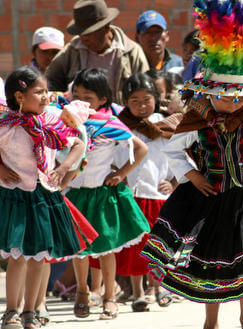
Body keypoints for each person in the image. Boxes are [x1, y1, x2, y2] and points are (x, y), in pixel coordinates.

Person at [140, 0, 243, 329]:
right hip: (210, 197)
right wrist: (191, 173)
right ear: (209, 93)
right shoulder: (197, 118)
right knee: (210, 259)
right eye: (222, 97)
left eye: (236, 96)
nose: (229, 103)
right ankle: (211, 320)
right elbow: (172, 149)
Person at [0, 66, 85, 329]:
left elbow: (79, 143)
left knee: (39, 256)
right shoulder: (5, 125)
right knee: (18, 257)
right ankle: (11, 311)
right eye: (39, 92)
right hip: (16, 197)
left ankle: (30, 311)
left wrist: (62, 168)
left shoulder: (50, 122)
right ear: (19, 96)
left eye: (47, 91)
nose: (47, 96)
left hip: (43, 195)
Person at [65, 68, 150, 321]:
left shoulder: (109, 122)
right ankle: (82, 291)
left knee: (107, 249)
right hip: (77, 192)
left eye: (88, 97)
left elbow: (141, 148)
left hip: (103, 194)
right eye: (76, 95)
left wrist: (121, 173)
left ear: (103, 99)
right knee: (79, 248)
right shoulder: (69, 121)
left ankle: (109, 297)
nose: (81, 101)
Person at [114, 73, 180, 311]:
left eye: (146, 99)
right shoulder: (119, 127)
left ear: (157, 98)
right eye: (135, 101)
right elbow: (113, 159)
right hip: (132, 195)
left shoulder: (167, 125)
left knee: (159, 243)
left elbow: (181, 159)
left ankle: (160, 286)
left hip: (157, 196)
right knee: (135, 246)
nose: (142, 105)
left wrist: (172, 182)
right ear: (125, 101)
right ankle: (138, 292)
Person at [45, 0, 149, 104]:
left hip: (120, 118)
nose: (84, 38)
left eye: (89, 33)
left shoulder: (131, 52)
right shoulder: (73, 50)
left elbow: (146, 90)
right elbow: (51, 80)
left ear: (106, 28)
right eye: (81, 33)